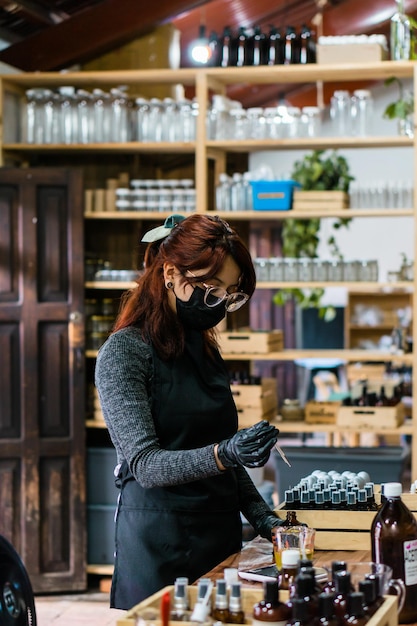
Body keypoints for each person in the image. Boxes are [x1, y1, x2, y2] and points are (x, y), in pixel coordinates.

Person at [95, 213, 284, 610]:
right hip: (158, 545)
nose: (219, 304)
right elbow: (146, 464)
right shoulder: (124, 353)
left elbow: (227, 464)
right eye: (211, 288)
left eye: (230, 294)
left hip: (218, 538)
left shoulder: (206, 350)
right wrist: (224, 453)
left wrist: (267, 521)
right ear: (170, 274)